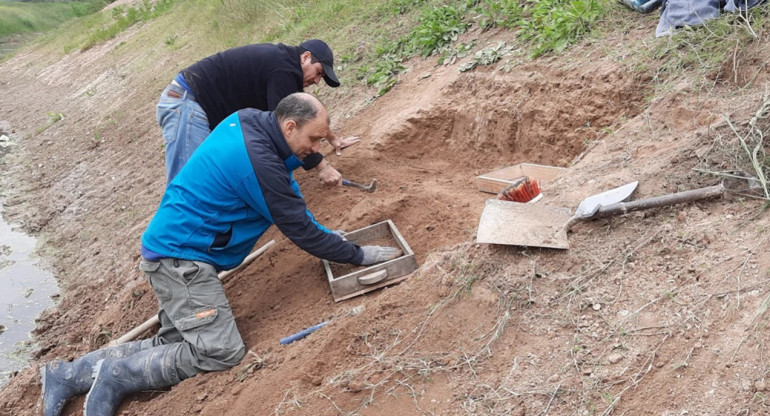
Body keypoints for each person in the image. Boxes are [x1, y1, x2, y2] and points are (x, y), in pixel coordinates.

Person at [40, 93, 400, 416]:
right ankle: (119, 375)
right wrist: (356, 254)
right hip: (182, 261)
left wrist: (315, 170)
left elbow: (286, 168)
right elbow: (299, 228)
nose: (317, 147)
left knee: (174, 342)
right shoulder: (260, 164)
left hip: (171, 246)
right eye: (314, 139)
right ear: (289, 126)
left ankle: (67, 375)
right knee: (219, 352)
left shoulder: (251, 121)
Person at [157, 38, 359, 185]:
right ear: (305, 57)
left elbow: (304, 114)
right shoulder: (284, 70)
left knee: (215, 174)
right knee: (187, 181)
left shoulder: (285, 66)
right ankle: (172, 241)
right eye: (318, 73)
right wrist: (322, 166)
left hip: (200, 107)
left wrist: (333, 138)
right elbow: (283, 127)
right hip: (187, 102)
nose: (316, 81)